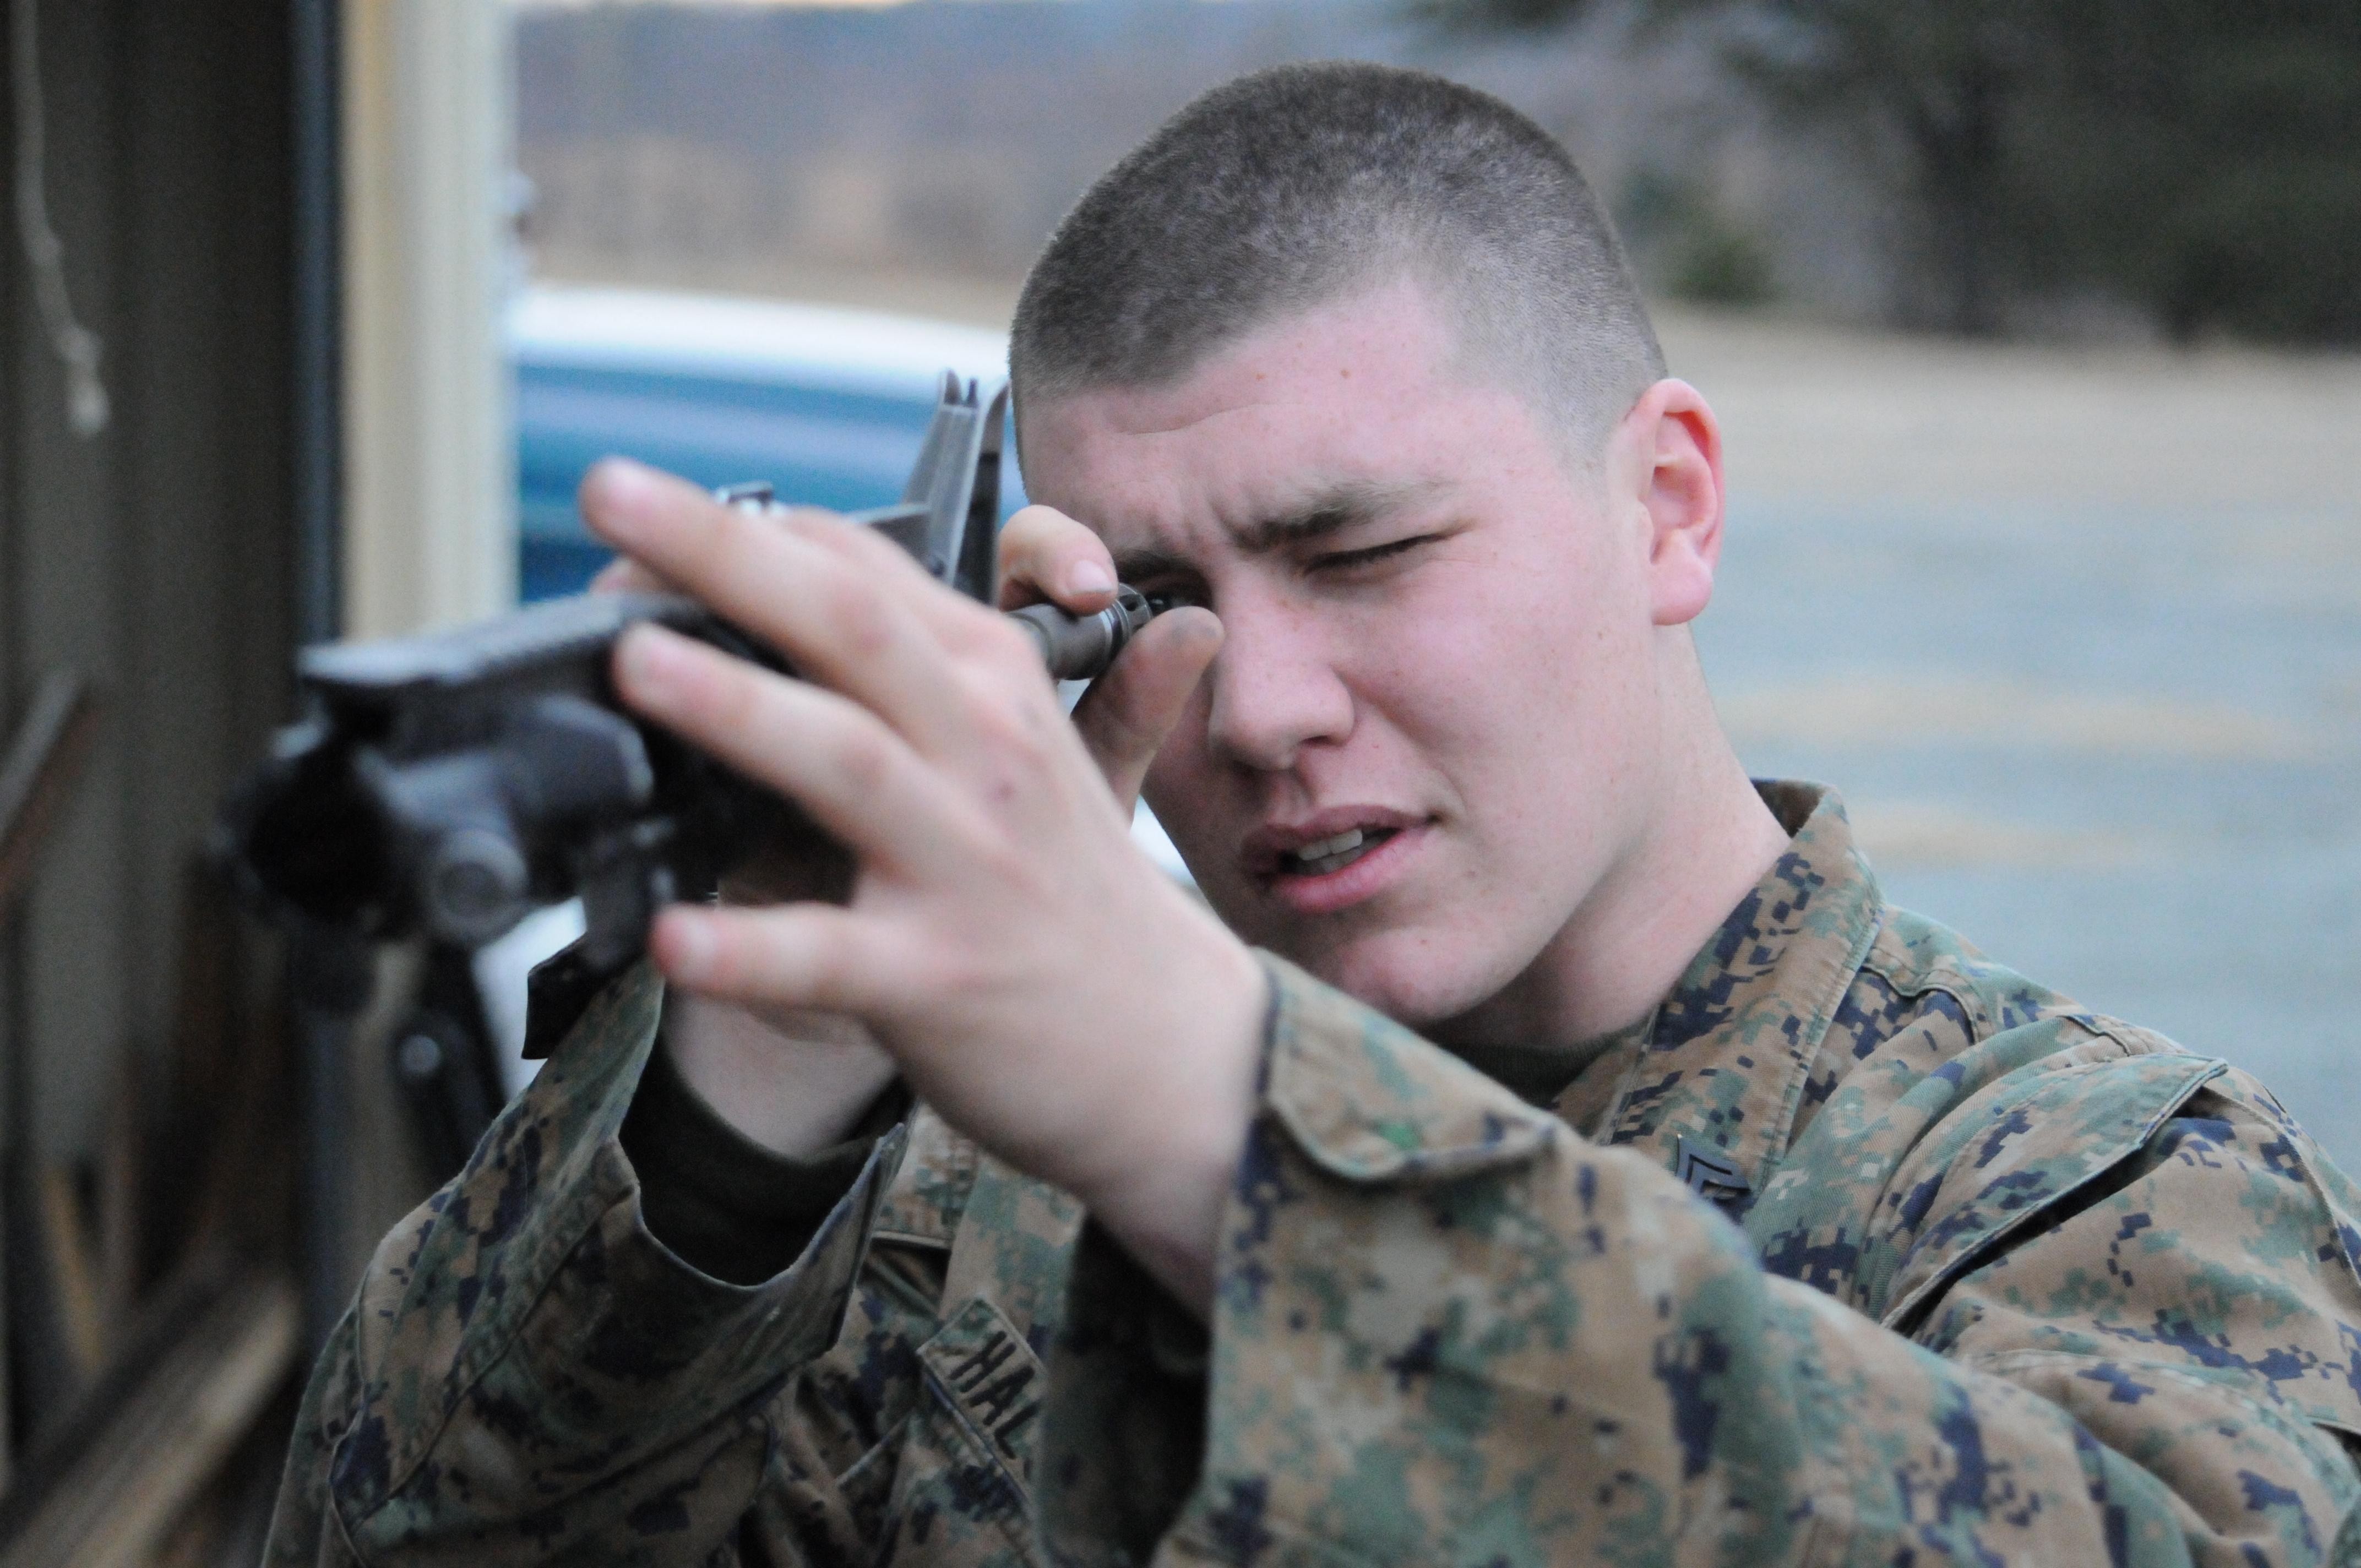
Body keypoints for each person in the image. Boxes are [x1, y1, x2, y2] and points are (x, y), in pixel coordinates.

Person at [266, 63, 2361, 1566]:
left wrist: (1224, 1125)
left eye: (1362, 554)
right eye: (1156, 604)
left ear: (1670, 506)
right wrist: (754, 1085)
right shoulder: (949, 1198)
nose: (1259, 711)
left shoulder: (2089, 1192)